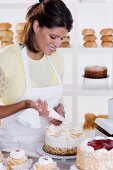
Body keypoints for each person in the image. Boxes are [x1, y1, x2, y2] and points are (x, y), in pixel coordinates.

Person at [0, 0, 73, 151]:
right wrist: (25, 104)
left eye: (62, 38)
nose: (58, 44)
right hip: (14, 151)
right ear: (36, 26)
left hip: (50, 148)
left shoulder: (57, 60)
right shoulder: (7, 58)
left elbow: (58, 99)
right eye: (53, 37)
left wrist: (59, 109)